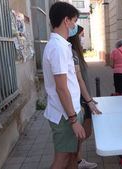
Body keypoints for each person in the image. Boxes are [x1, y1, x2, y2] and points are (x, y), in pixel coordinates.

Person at [43, 2, 86, 169]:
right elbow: (61, 87)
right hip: (64, 115)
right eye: (74, 21)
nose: (75, 25)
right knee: (62, 158)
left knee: (72, 155)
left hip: (69, 111)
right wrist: (73, 120)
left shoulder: (61, 45)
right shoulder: (58, 47)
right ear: (66, 20)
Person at [68, 25, 101, 169]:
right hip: (81, 99)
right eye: (81, 35)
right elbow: (78, 80)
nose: (82, 38)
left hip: (84, 97)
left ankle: (78, 160)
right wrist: (88, 100)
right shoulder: (72, 52)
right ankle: (74, 159)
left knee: (84, 133)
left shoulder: (76, 53)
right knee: (84, 132)